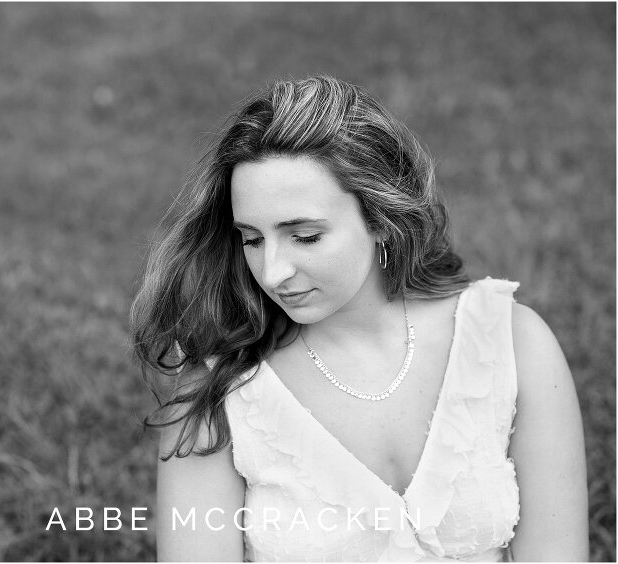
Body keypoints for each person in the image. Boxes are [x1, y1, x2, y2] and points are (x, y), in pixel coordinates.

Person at [130, 75, 588, 562]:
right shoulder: (219, 385)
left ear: (381, 220)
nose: (272, 271)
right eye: (252, 238)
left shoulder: (512, 342)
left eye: (304, 236)